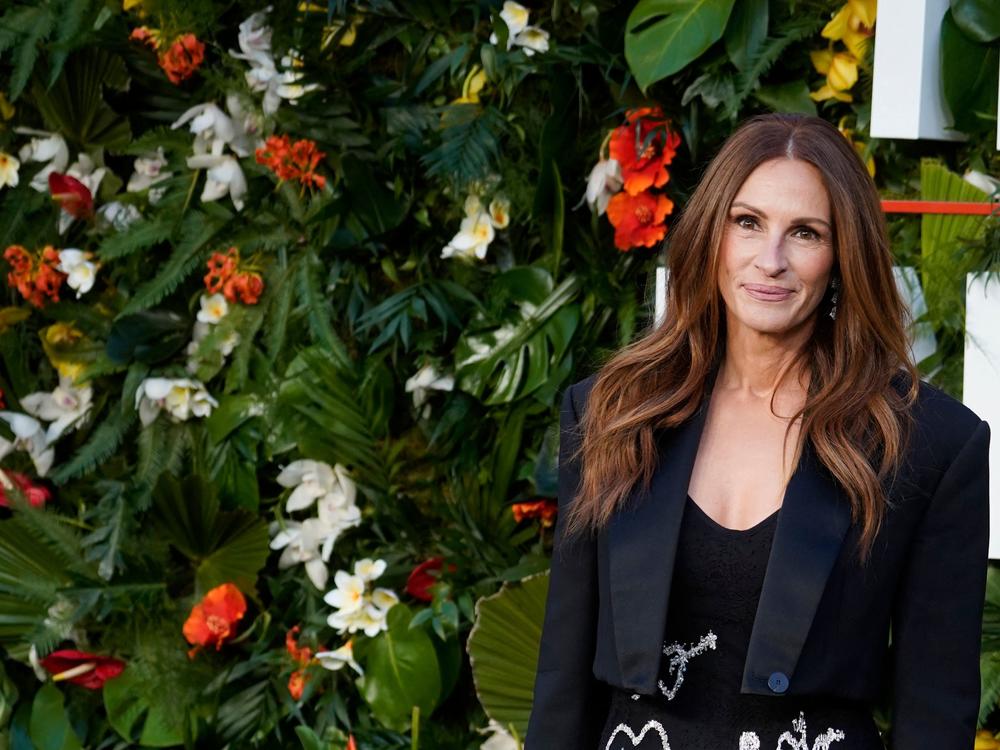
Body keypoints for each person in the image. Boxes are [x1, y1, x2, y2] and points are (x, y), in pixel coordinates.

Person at [524, 113, 991, 750]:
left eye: (804, 232)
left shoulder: (928, 445)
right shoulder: (614, 411)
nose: (769, 260)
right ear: (712, 234)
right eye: (747, 223)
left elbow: (935, 713)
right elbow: (563, 681)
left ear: (842, 256)